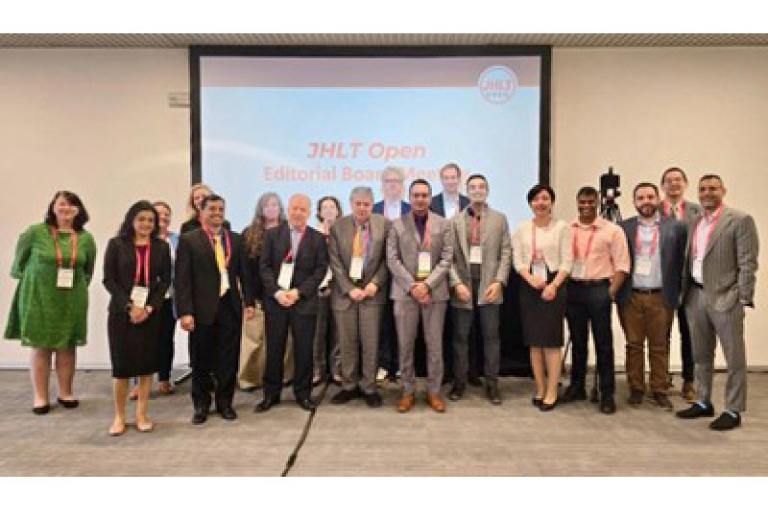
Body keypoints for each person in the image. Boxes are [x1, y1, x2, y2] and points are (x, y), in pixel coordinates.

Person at [676, 175, 759, 430]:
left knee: (734, 357)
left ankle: (733, 410)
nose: (707, 193)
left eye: (713, 188)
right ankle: (703, 401)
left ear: (723, 190)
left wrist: (742, 296)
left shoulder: (740, 220)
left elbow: (748, 262)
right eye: (703, 189)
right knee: (701, 354)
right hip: (696, 295)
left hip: (726, 297)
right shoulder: (695, 221)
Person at [5, 191, 97, 415]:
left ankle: (66, 392)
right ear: (53, 207)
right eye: (62, 204)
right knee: (41, 346)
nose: (67, 209)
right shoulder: (35, 232)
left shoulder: (85, 238)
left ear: (79, 210)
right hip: (39, 297)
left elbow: (88, 270)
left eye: (72, 205)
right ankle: (41, 396)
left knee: (67, 345)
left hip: (71, 298)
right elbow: (19, 264)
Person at [175, 194, 255, 424]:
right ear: (201, 212)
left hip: (229, 307)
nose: (217, 213)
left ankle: (225, 403)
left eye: (221, 209)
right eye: (212, 209)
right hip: (201, 310)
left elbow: (245, 275)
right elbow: (182, 280)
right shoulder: (190, 240)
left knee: (228, 359)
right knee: (201, 359)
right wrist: (185, 312)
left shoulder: (236, 240)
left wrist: (248, 302)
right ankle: (201, 404)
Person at [103, 201, 172, 435]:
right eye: (141, 219)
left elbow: (165, 282)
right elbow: (109, 280)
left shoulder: (161, 247)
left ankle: (142, 415)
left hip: (150, 315)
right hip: (122, 314)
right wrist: (129, 307)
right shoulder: (116, 245)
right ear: (131, 220)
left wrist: (150, 307)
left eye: (151, 220)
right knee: (121, 368)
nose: (146, 224)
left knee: (146, 367)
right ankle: (120, 416)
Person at [256, 194, 329, 412]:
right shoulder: (271, 235)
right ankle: (271, 394)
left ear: (308, 213)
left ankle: (303, 394)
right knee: (274, 349)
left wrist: (299, 292)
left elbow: (320, 270)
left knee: (304, 350)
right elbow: (264, 267)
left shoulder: (317, 238)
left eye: (302, 209)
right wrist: (277, 292)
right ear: (288, 210)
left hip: (303, 302)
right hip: (276, 302)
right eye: (294, 208)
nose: (298, 213)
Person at [616, 183, 687, 410]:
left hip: (660, 295)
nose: (645, 201)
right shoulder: (623, 227)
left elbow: (681, 263)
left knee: (659, 345)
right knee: (633, 344)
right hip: (631, 295)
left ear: (658, 198)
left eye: (650, 196)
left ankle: (659, 389)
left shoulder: (675, 227)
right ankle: (636, 387)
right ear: (634, 201)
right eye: (640, 197)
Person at [560, 186, 630, 414]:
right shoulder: (567, 229)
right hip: (574, 289)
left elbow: (622, 266)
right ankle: (577, 386)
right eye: (582, 202)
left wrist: (610, 292)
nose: (586, 206)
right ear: (577, 202)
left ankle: (607, 393)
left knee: (603, 343)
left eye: (591, 202)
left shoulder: (612, 230)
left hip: (599, 289)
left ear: (598, 202)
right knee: (578, 342)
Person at [387, 179, 453, 413]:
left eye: (424, 195)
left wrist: (427, 285)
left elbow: (447, 258)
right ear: (410, 196)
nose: (420, 199)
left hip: (435, 294)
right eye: (416, 195)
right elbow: (392, 259)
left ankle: (434, 392)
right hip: (405, 294)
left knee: (434, 346)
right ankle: (407, 391)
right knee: (405, 346)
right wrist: (413, 286)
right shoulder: (396, 225)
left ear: (430, 197)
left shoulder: (443, 224)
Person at [449, 174, 512, 405]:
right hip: (463, 288)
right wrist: (456, 283)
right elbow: (449, 258)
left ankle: (492, 384)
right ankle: (459, 382)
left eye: (481, 186)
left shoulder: (499, 219)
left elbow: (506, 253)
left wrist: (499, 281)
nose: (477, 190)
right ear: (466, 191)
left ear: (488, 190)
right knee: (460, 338)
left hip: (489, 287)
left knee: (491, 337)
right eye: (472, 187)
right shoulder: (454, 221)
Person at [328, 187, 391, 407]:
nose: (362, 208)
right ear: (351, 203)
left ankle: (369, 387)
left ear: (372, 204)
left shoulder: (384, 224)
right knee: (346, 343)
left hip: (372, 294)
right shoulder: (338, 227)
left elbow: (387, 259)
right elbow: (334, 262)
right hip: (345, 295)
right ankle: (349, 386)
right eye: (358, 203)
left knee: (371, 343)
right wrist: (348, 287)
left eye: (366, 204)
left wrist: (375, 283)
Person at [512, 184, 571, 411]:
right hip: (530, 286)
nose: (541, 203)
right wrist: (529, 279)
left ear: (552, 202)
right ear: (530, 203)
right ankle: (539, 387)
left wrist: (553, 285)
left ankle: (552, 391)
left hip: (553, 286)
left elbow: (567, 262)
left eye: (545, 198)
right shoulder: (522, 228)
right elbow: (518, 261)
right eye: (536, 199)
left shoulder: (562, 228)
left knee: (551, 341)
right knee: (534, 342)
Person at [239, 192, 293, 390]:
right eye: (267, 205)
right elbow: (245, 269)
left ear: (281, 209)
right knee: (254, 340)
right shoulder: (249, 233)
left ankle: (284, 377)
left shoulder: (289, 232)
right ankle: (249, 379)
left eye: (275, 205)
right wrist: (249, 300)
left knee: (283, 341)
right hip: (257, 295)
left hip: (283, 294)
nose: (271, 208)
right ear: (260, 209)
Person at [659, 166, 703, 402]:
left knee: (689, 334)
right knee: (660, 335)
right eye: (668, 181)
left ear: (685, 184)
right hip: (661, 283)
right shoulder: (653, 211)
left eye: (678, 180)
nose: (673, 184)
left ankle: (689, 380)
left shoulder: (698, 211)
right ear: (662, 186)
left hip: (690, 285)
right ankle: (661, 377)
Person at [430, 163, 471, 388]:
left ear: (459, 179)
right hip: (437, 270)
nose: (450, 181)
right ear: (441, 180)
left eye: (453, 177)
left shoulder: (468, 204)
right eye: (445, 178)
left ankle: (466, 372)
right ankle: (444, 372)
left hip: (463, 273)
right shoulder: (433, 203)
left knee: (463, 329)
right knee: (442, 329)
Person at [373, 166, 411, 383]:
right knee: (382, 320)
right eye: (388, 181)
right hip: (378, 273)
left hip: (404, 274)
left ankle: (401, 364)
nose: (392, 185)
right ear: (382, 185)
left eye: (396, 181)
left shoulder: (409, 209)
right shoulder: (374, 209)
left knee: (403, 321)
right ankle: (384, 363)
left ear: (402, 185)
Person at [313, 195, 343, 385]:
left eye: (333, 207)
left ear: (339, 211)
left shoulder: (344, 233)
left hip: (340, 288)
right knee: (317, 332)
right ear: (319, 212)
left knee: (339, 333)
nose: (329, 210)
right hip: (319, 288)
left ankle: (337, 370)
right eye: (325, 207)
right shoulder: (312, 234)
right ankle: (317, 370)